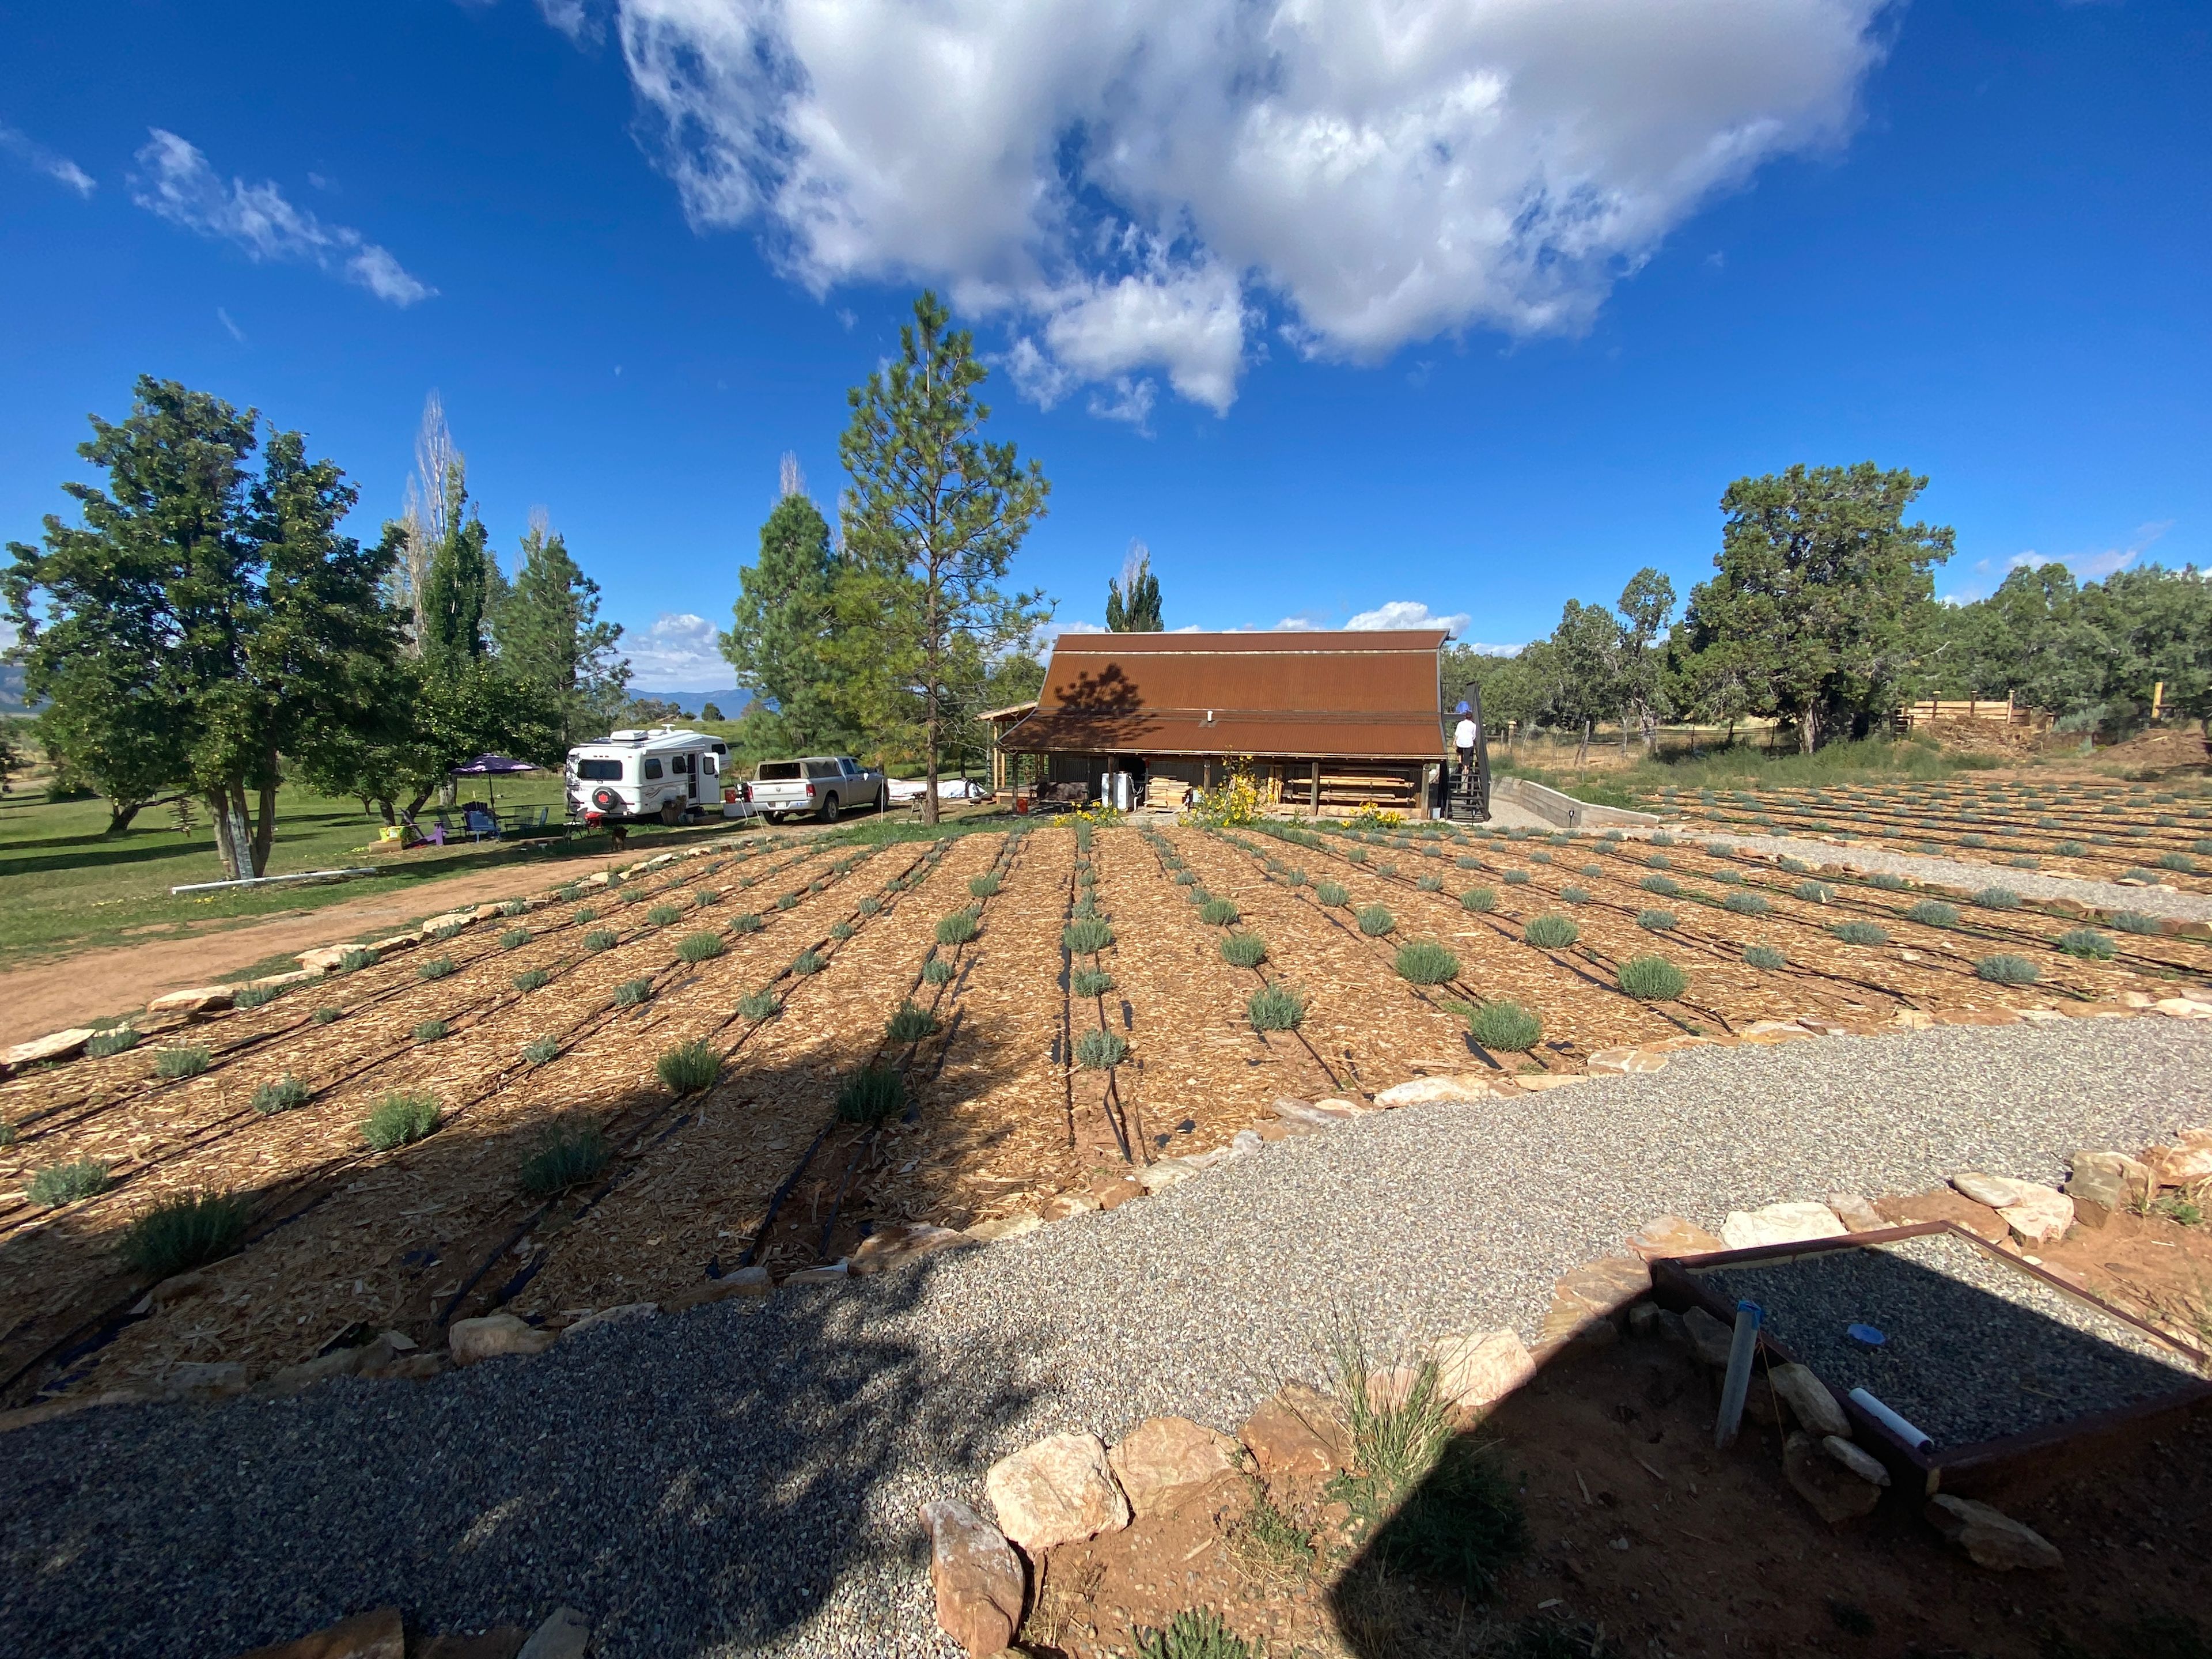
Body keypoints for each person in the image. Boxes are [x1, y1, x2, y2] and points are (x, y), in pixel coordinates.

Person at [1453, 701, 1478, 799]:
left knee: (1459, 750)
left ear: (1465, 717)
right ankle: (1466, 769)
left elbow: (1457, 733)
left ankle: (1460, 761)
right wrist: (1472, 740)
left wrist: (1454, 741)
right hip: (1469, 743)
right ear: (1471, 717)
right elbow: (1474, 736)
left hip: (1461, 741)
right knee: (1467, 755)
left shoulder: (1460, 724)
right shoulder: (1474, 725)